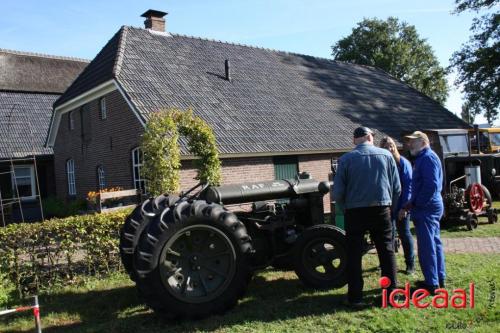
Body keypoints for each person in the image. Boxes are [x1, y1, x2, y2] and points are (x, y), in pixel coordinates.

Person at [333, 126, 401, 307]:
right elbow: (397, 188)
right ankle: (391, 296)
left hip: (355, 212)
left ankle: (355, 297)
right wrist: (390, 208)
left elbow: (338, 193)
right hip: (382, 209)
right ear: (370, 137)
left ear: (355, 140)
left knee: (354, 255)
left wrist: (345, 208)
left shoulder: (346, 159)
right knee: (386, 252)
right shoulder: (386, 156)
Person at [403, 131, 446, 294]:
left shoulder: (427, 158)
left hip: (426, 208)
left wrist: (416, 203)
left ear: (423, 142)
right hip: (430, 206)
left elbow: (431, 186)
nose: (409, 144)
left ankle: (432, 283)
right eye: (409, 142)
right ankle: (438, 279)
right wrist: (412, 202)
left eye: (413, 141)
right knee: (434, 244)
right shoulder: (425, 157)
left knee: (427, 247)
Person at [379, 136, 415, 275]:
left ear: (394, 146)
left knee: (404, 234)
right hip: (386, 207)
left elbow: (408, 187)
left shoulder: (403, 163)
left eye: (391, 145)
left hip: (401, 206)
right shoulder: (381, 164)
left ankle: (410, 264)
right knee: (387, 236)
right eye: (385, 146)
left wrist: (404, 208)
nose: (389, 148)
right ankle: (387, 264)